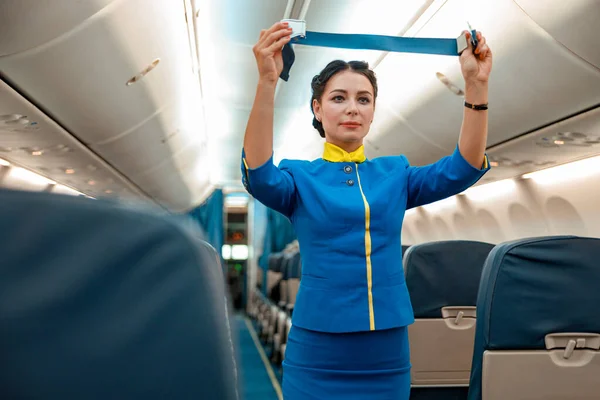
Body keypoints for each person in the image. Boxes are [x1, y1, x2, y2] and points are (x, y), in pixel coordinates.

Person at [241, 21, 492, 399]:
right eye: (338, 98)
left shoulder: (395, 174)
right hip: (318, 347)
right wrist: (266, 83)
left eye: (363, 99)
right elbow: (258, 174)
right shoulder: (300, 178)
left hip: (385, 351)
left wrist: (476, 85)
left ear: (373, 111)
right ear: (318, 108)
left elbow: (464, 168)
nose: (352, 109)